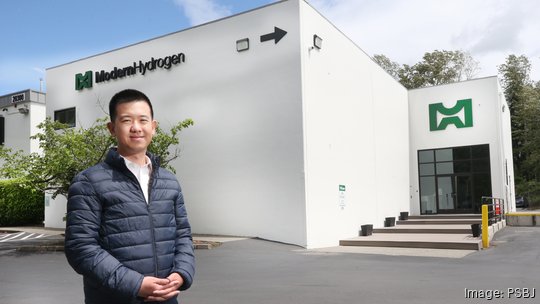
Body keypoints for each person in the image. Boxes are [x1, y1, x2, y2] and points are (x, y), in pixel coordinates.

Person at [64, 89, 195, 304]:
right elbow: (81, 247)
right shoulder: (89, 181)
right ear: (112, 128)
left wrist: (181, 274)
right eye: (126, 120)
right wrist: (136, 285)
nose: (136, 128)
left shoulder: (169, 182)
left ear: (153, 127)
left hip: (166, 298)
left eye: (143, 120)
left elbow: (183, 236)